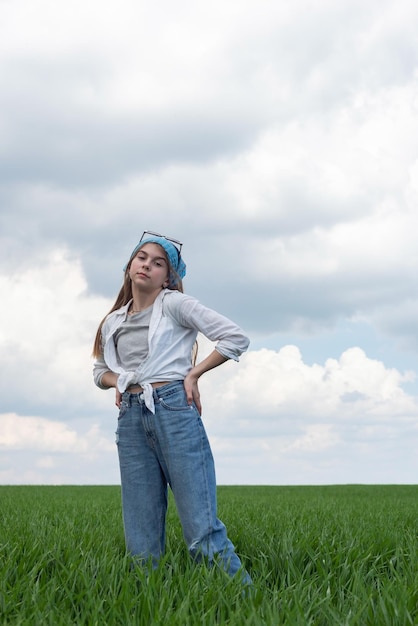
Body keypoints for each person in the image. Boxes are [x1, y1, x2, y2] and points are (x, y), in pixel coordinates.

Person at [92, 230, 251, 585]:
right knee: (141, 540)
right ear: (129, 265)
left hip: (173, 410)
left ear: (169, 276)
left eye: (158, 262)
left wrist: (194, 374)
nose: (147, 265)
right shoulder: (113, 320)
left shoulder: (175, 304)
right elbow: (99, 371)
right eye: (142, 258)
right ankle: (150, 607)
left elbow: (235, 337)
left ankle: (249, 605)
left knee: (201, 531)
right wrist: (120, 381)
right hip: (131, 418)